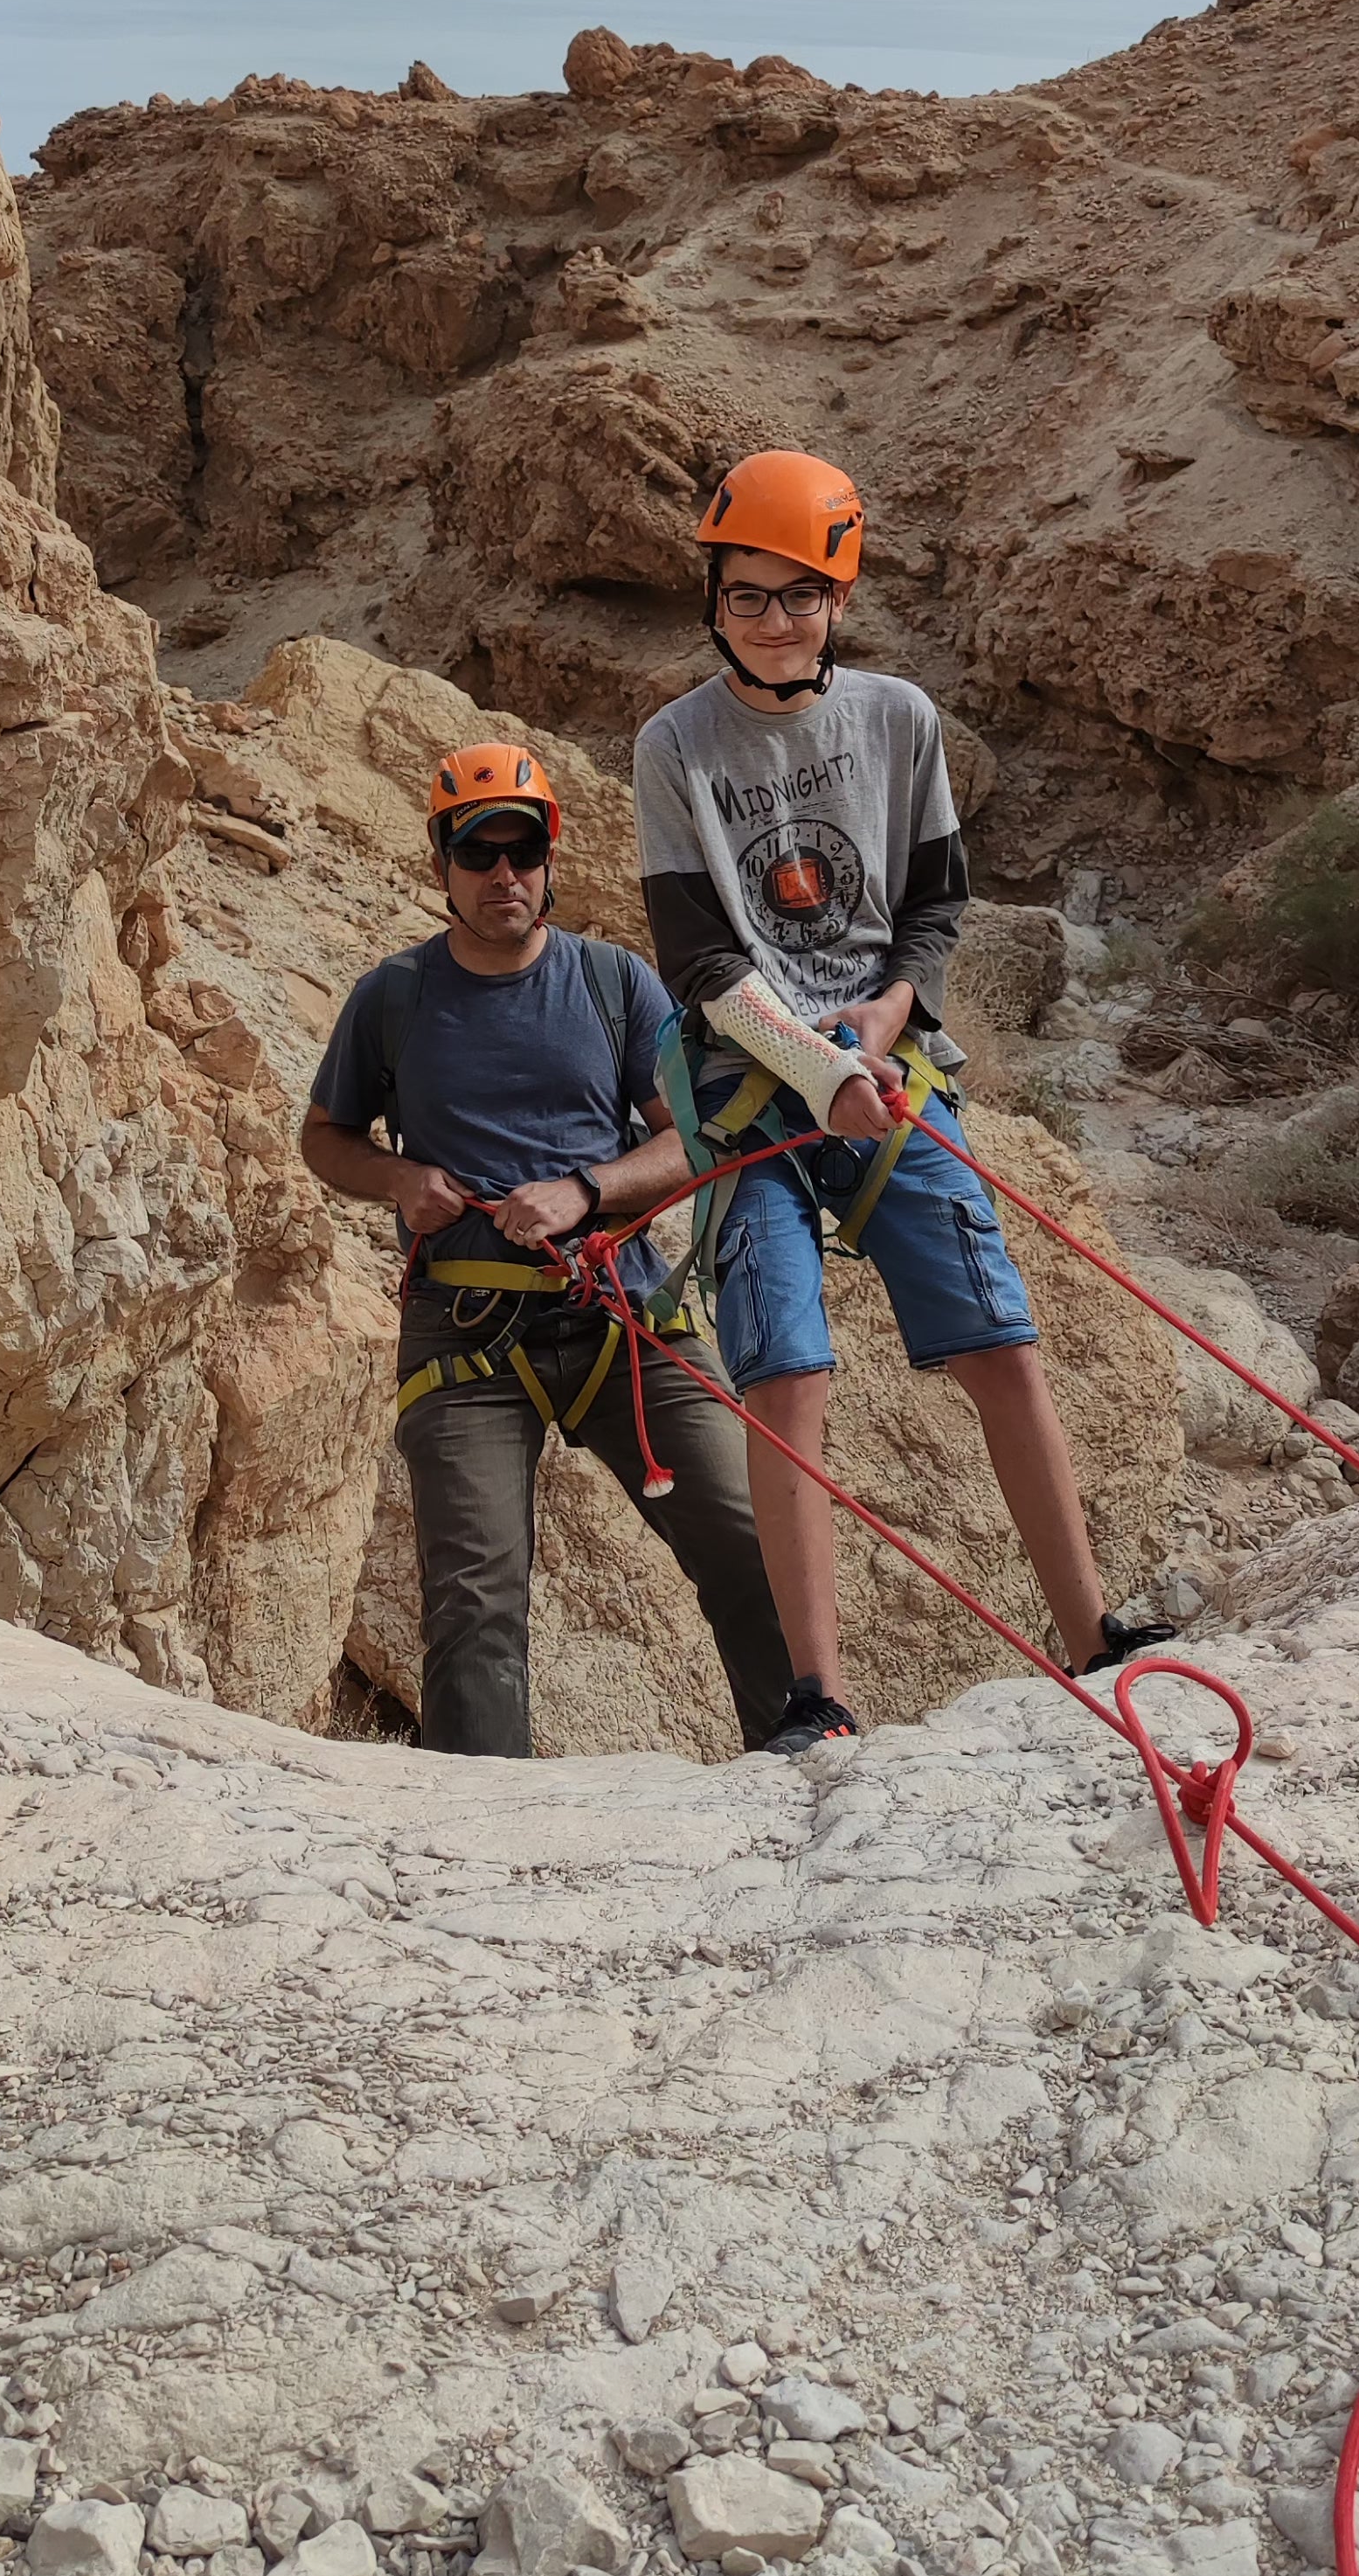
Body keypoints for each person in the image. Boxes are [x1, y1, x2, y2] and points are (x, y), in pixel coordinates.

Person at [633, 449, 1173, 1754]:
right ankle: (816, 1697)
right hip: (750, 1091)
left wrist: (876, 1029)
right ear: (714, 600)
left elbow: (932, 908)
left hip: (888, 1064)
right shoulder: (673, 748)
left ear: (837, 599)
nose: (774, 620)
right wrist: (823, 1070)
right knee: (787, 1373)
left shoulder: (897, 720)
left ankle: (1090, 1634)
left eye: (799, 596)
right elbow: (702, 960)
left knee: (1000, 1346)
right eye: (749, 596)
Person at [301, 739, 794, 1760]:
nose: (503, 876)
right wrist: (399, 1180)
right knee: (474, 1600)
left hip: (618, 1308)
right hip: (463, 1329)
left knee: (748, 1540)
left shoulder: (613, 983)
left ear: (551, 858)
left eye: (521, 852)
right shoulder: (391, 999)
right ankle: (480, 1829)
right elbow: (325, 1136)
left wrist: (585, 1190)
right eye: (478, 854)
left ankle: (804, 1755)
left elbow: (689, 1135)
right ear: (441, 865)